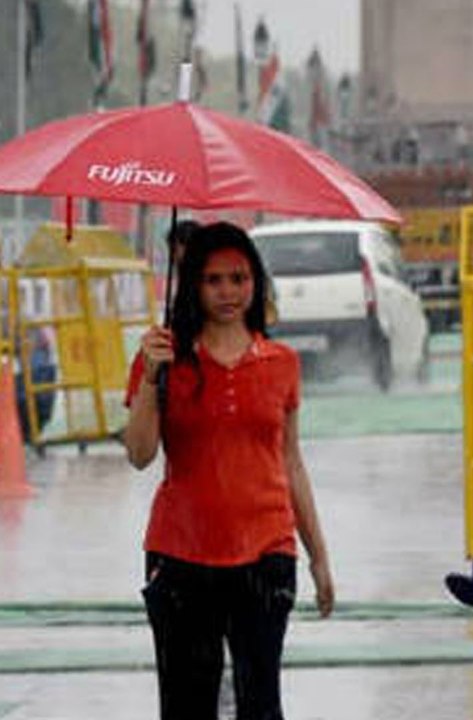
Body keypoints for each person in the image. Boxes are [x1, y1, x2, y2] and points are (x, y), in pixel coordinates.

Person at [122, 221, 335, 720]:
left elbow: (291, 462)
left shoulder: (281, 362)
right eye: (214, 280)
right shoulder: (163, 357)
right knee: (187, 706)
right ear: (193, 283)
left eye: (239, 278)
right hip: (180, 555)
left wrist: (318, 556)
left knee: (261, 705)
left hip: (265, 553)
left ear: (255, 283)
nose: (228, 292)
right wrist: (153, 377)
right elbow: (138, 454)